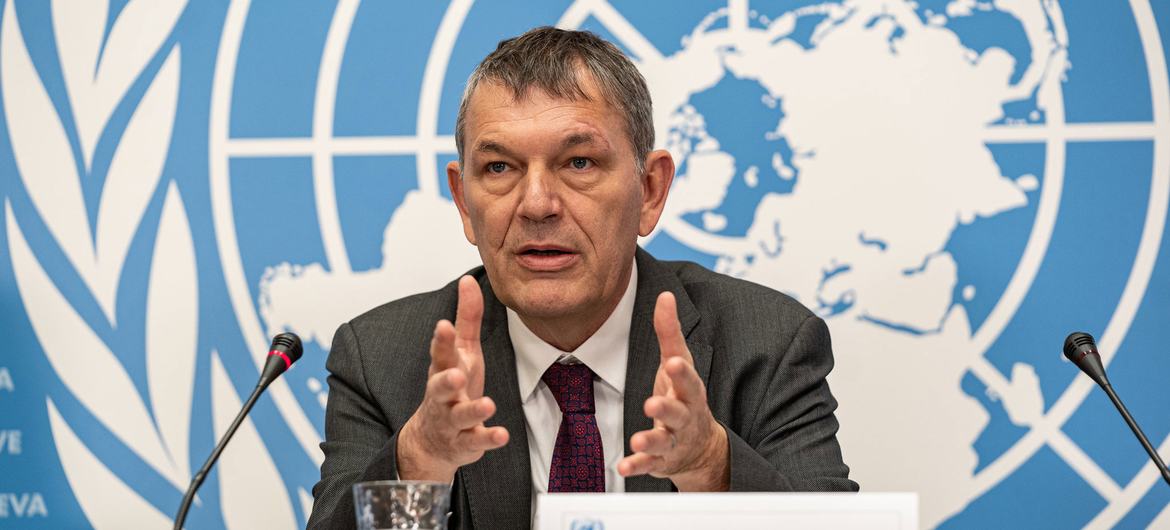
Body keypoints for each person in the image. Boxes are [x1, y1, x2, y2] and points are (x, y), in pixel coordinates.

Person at [308, 26, 857, 530]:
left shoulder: (765, 345)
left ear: (650, 190)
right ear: (464, 202)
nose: (537, 204)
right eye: (499, 168)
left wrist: (712, 469)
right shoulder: (382, 359)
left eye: (579, 163)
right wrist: (419, 465)